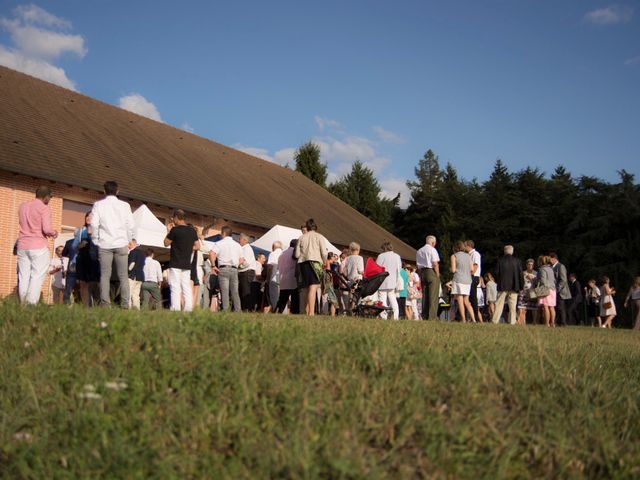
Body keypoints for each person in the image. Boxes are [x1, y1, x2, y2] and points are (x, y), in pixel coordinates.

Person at [91, 181, 136, 308]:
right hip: (121, 242)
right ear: (118, 191)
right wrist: (131, 239)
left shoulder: (98, 205)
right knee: (123, 275)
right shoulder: (125, 205)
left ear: (104, 191)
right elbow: (130, 224)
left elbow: (94, 224)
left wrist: (96, 240)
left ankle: (105, 303)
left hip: (105, 243)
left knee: (105, 275)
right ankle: (125, 304)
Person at [17, 186, 58, 305]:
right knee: (36, 276)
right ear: (46, 197)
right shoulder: (44, 208)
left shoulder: (22, 206)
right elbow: (46, 229)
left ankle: (23, 305)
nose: (49, 200)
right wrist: (54, 232)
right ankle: (31, 306)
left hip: (22, 246)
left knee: (23, 277)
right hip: (38, 246)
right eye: (49, 197)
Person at [164, 209, 199, 312]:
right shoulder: (192, 231)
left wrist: (168, 231)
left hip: (175, 263)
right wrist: (188, 248)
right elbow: (197, 246)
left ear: (176, 217)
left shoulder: (175, 230)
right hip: (187, 264)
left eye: (173, 218)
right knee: (186, 287)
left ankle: (175, 309)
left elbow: (166, 243)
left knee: (175, 287)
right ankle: (188, 309)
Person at [294, 219, 328, 316]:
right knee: (313, 287)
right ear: (316, 227)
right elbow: (324, 253)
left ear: (307, 227)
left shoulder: (301, 237)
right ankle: (311, 312)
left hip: (303, 263)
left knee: (305, 288)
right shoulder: (320, 237)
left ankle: (304, 310)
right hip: (315, 263)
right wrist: (325, 262)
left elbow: (296, 255)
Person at [209, 225, 244, 312]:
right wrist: (236, 265)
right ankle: (238, 310)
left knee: (224, 291)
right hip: (234, 269)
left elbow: (212, 254)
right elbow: (242, 260)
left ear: (223, 233)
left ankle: (225, 310)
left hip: (223, 268)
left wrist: (213, 265)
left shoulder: (220, 243)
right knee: (235, 292)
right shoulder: (237, 245)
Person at [491, 245, 523, 325]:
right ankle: (512, 321)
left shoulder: (500, 261)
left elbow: (496, 273)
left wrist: (498, 281)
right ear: (512, 251)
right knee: (512, 305)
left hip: (502, 286)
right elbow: (520, 275)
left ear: (504, 251)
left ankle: (495, 320)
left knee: (499, 304)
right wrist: (521, 286)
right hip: (514, 286)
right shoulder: (517, 261)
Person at [74, 212, 101, 307]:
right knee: (83, 284)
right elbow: (74, 246)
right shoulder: (81, 231)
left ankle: (98, 306)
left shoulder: (99, 232)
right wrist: (80, 245)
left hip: (95, 261)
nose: (88, 218)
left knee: (96, 285)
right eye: (87, 216)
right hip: (82, 261)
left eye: (91, 216)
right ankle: (87, 307)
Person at [416, 235, 441, 321]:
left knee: (425, 295)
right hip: (431, 272)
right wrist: (437, 274)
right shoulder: (432, 250)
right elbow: (435, 263)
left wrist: (420, 275)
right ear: (433, 242)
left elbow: (418, 266)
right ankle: (432, 316)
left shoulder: (419, 251)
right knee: (433, 295)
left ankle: (425, 315)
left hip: (423, 272)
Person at [376, 241, 402, 320]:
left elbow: (377, 268)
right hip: (393, 280)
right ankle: (395, 316)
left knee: (382, 299)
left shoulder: (381, 256)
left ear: (384, 248)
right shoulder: (397, 256)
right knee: (393, 299)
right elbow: (399, 269)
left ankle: (384, 316)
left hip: (382, 280)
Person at [450, 241, 475, 323]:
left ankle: (463, 319)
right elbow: (472, 269)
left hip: (458, 279)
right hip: (467, 280)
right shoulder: (468, 256)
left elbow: (453, 270)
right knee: (467, 301)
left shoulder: (454, 256)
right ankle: (474, 319)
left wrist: (451, 269)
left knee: (460, 300)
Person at [276, 239, 301, 314]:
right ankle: (295, 314)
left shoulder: (282, 254)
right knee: (295, 300)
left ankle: (277, 312)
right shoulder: (296, 253)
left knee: (282, 300)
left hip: (283, 279)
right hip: (293, 280)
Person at [549, 253, 571, 326]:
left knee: (561, 307)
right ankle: (558, 322)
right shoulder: (552, 267)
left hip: (560, 291)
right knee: (557, 307)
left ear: (554, 258)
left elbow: (563, 280)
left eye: (550, 259)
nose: (549, 261)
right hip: (554, 290)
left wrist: (557, 289)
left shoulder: (560, 266)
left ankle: (563, 323)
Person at [238, 233, 256, 311]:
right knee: (242, 291)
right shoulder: (243, 248)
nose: (239, 241)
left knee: (246, 291)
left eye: (240, 239)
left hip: (247, 272)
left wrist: (238, 266)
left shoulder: (247, 249)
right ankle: (244, 308)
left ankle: (247, 309)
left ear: (245, 240)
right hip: (244, 272)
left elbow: (246, 262)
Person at [537, 256, 557, 327]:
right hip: (553, 289)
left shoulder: (542, 269)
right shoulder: (551, 269)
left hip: (546, 289)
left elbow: (543, 280)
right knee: (552, 307)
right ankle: (553, 323)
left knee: (545, 306)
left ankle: (547, 323)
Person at [465, 240, 482, 322]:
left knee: (473, 297)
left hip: (473, 277)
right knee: (469, 297)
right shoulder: (469, 254)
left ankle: (475, 316)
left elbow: (475, 265)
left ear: (468, 246)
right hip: (470, 276)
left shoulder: (475, 254)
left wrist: (470, 275)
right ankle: (471, 317)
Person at [127, 239, 146, 309]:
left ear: (132, 244)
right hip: (140, 276)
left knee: (128, 294)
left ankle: (128, 309)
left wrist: (127, 272)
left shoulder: (132, 252)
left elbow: (131, 264)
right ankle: (137, 309)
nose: (128, 245)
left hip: (132, 275)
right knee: (136, 294)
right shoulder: (142, 253)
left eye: (129, 244)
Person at [518, 259, 537, 325]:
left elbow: (537, 283)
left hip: (533, 292)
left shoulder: (536, 273)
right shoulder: (523, 273)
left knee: (533, 309)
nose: (530, 266)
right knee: (522, 308)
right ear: (526, 265)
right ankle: (523, 322)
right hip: (524, 291)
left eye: (531, 265)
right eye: (529, 264)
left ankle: (534, 321)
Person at [266, 241, 283, 311]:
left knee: (274, 296)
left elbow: (270, 267)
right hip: (283, 277)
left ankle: (275, 310)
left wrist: (268, 279)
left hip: (274, 277)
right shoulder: (284, 253)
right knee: (282, 295)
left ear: (274, 247)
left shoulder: (272, 254)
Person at [62, 237, 79, 304]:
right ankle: (87, 305)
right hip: (83, 266)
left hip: (72, 266)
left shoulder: (69, 242)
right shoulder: (88, 241)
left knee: (69, 287)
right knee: (85, 287)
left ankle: (65, 304)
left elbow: (63, 253)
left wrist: (71, 255)